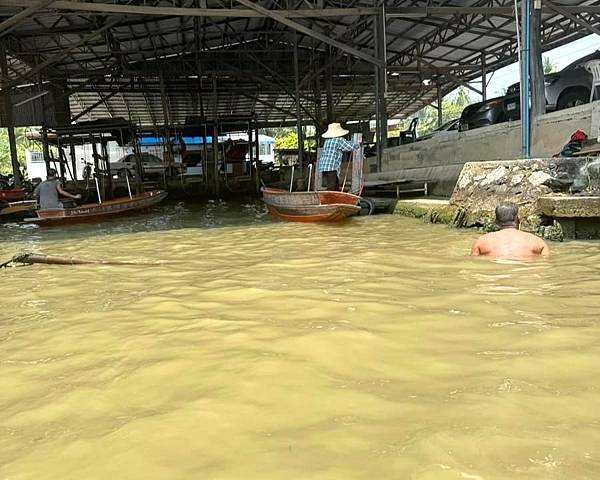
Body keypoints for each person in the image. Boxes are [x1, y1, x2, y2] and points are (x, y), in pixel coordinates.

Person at [470, 202, 550, 258]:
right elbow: (546, 265)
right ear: (518, 220)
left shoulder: (481, 242)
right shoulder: (538, 242)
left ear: (496, 222)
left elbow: (473, 265)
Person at [319, 122, 360, 191]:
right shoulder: (339, 140)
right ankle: (329, 198)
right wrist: (358, 145)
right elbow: (349, 147)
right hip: (331, 165)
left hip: (324, 165)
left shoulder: (327, 141)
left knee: (334, 182)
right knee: (331, 185)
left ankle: (335, 195)